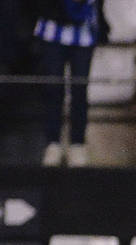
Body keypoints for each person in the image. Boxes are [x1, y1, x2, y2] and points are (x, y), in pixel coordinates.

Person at [33, 0, 99, 167]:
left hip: (84, 31)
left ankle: (77, 143)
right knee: (53, 88)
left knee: (79, 88)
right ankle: (52, 142)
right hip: (53, 28)